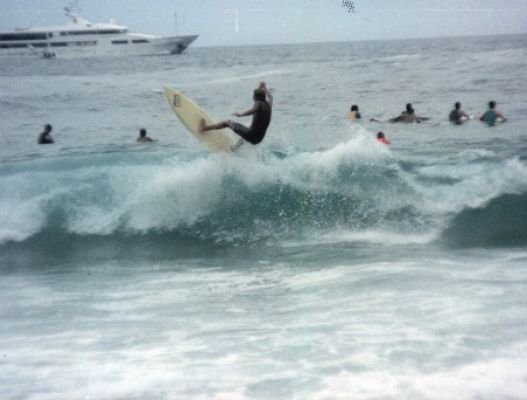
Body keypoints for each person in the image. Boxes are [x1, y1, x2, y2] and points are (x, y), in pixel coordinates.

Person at [199, 81, 273, 149]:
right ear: (264, 97)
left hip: (251, 135)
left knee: (227, 123)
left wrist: (241, 114)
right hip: (259, 139)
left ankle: (204, 128)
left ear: (254, 98)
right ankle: (234, 149)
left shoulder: (258, 103)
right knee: (245, 133)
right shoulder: (269, 105)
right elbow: (270, 97)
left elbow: (254, 109)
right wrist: (264, 88)